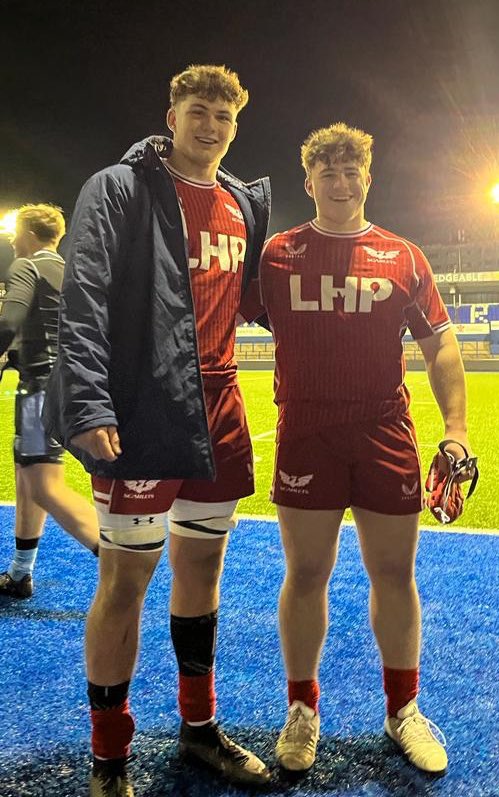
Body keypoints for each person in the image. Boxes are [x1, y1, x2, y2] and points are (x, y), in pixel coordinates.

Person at [43, 65, 271, 796]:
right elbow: (82, 301)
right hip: (144, 404)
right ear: (170, 114)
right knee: (126, 578)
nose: (210, 126)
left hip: (222, 407)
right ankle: (109, 757)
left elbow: (262, 300)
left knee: (202, 571)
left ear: (235, 127)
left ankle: (198, 727)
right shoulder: (119, 187)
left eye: (223, 117)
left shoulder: (240, 201)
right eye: (197, 111)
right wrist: (90, 405)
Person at [240, 122, 476, 776]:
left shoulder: (401, 255)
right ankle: (301, 709)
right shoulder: (277, 255)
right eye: (328, 173)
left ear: (366, 179)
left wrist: (454, 426)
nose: (340, 184)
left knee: (394, 574)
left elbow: (440, 346)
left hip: (383, 430)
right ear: (307, 180)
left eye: (351, 172)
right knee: (307, 573)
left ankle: (402, 709)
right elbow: (213, 313)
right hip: (306, 431)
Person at [0, 205, 99, 599]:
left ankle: (118, 561)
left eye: (13, 232)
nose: (10, 238)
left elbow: (9, 321)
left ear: (26, 233)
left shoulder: (26, 266)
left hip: (38, 392)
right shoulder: (70, 270)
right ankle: (20, 574)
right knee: (28, 477)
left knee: (43, 485)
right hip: (69, 385)